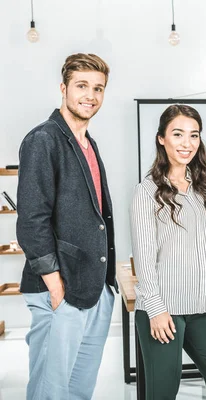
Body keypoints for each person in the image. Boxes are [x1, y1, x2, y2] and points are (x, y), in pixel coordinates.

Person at [16, 53, 116, 400]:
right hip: (60, 290)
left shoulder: (89, 144)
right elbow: (31, 220)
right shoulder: (43, 139)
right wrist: (56, 288)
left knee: (78, 391)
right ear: (64, 88)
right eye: (82, 86)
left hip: (94, 288)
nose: (91, 95)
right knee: (50, 391)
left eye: (98, 88)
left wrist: (106, 286)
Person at [130, 104, 206, 400]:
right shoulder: (146, 191)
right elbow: (144, 257)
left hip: (204, 307)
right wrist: (154, 308)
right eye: (178, 134)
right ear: (161, 139)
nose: (187, 143)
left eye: (194, 136)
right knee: (163, 392)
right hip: (164, 309)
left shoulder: (202, 188)